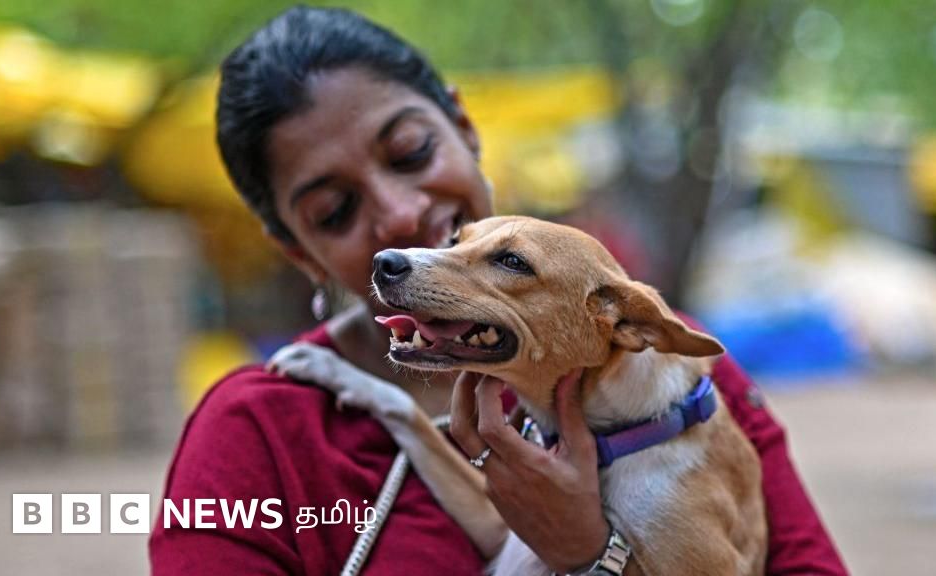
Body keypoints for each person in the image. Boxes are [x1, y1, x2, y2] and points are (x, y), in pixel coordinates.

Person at [149, 6, 848, 575]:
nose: (399, 219)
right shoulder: (256, 434)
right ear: (297, 251)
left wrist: (589, 555)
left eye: (412, 152)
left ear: (464, 125)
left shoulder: (681, 383)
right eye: (334, 210)